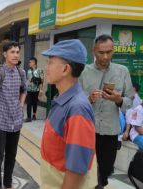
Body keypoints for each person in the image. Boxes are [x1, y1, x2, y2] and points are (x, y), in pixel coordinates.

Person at [79, 34, 134, 188]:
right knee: (85, 171)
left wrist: (119, 100)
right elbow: (75, 101)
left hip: (110, 132)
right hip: (87, 131)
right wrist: (88, 99)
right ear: (93, 51)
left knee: (104, 173)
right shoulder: (84, 72)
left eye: (109, 52)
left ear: (113, 51)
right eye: (100, 52)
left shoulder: (122, 71)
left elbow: (130, 101)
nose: (105, 56)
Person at [40, 39, 97, 189]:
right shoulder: (65, 100)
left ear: (65, 69)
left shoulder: (77, 108)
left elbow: (76, 170)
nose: (46, 67)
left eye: (51, 62)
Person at [0, 41, 27, 189]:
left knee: (11, 156)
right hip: (0, 122)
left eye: (17, 52)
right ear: (4, 54)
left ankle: (8, 183)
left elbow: (24, 90)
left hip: (16, 122)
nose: (16, 55)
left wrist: (21, 105)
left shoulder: (21, 72)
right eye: (12, 52)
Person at [25, 57, 43, 122]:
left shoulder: (40, 70)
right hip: (29, 90)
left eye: (30, 62)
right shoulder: (28, 71)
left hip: (36, 90)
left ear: (34, 62)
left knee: (34, 103)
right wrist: (25, 88)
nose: (29, 63)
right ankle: (28, 117)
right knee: (29, 103)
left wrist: (41, 90)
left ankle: (34, 115)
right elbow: (28, 80)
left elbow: (41, 81)